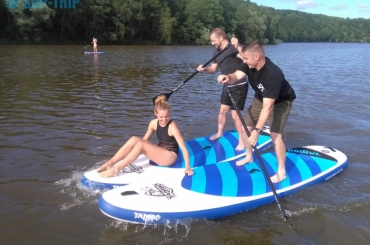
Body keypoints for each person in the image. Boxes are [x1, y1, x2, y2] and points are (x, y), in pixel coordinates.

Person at [218, 39, 296, 183]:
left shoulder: (273, 74)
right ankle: (249, 155)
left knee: (275, 135)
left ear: (256, 57)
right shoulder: (248, 64)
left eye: (246, 58)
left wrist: (258, 130)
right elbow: (236, 76)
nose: (244, 61)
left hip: (280, 101)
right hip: (261, 97)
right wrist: (227, 77)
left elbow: (268, 107)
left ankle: (281, 171)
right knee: (245, 126)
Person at [97, 95, 194, 178]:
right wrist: (132, 152)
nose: (164, 119)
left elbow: (184, 148)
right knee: (134, 139)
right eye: (161, 117)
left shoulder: (173, 127)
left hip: (169, 157)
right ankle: (110, 163)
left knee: (140, 145)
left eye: (167, 116)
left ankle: (116, 170)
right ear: (155, 113)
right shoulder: (153, 123)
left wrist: (188, 167)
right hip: (160, 151)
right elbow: (144, 140)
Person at [197, 28, 249, 150]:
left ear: (221, 38)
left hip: (239, 85)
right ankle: (220, 132)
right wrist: (204, 69)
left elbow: (246, 59)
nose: (212, 43)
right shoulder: (217, 53)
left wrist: (238, 46)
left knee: (236, 116)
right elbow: (213, 69)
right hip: (227, 85)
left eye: (213, 40)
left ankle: (242, 141)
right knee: (222, 111)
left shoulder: (232, 48)